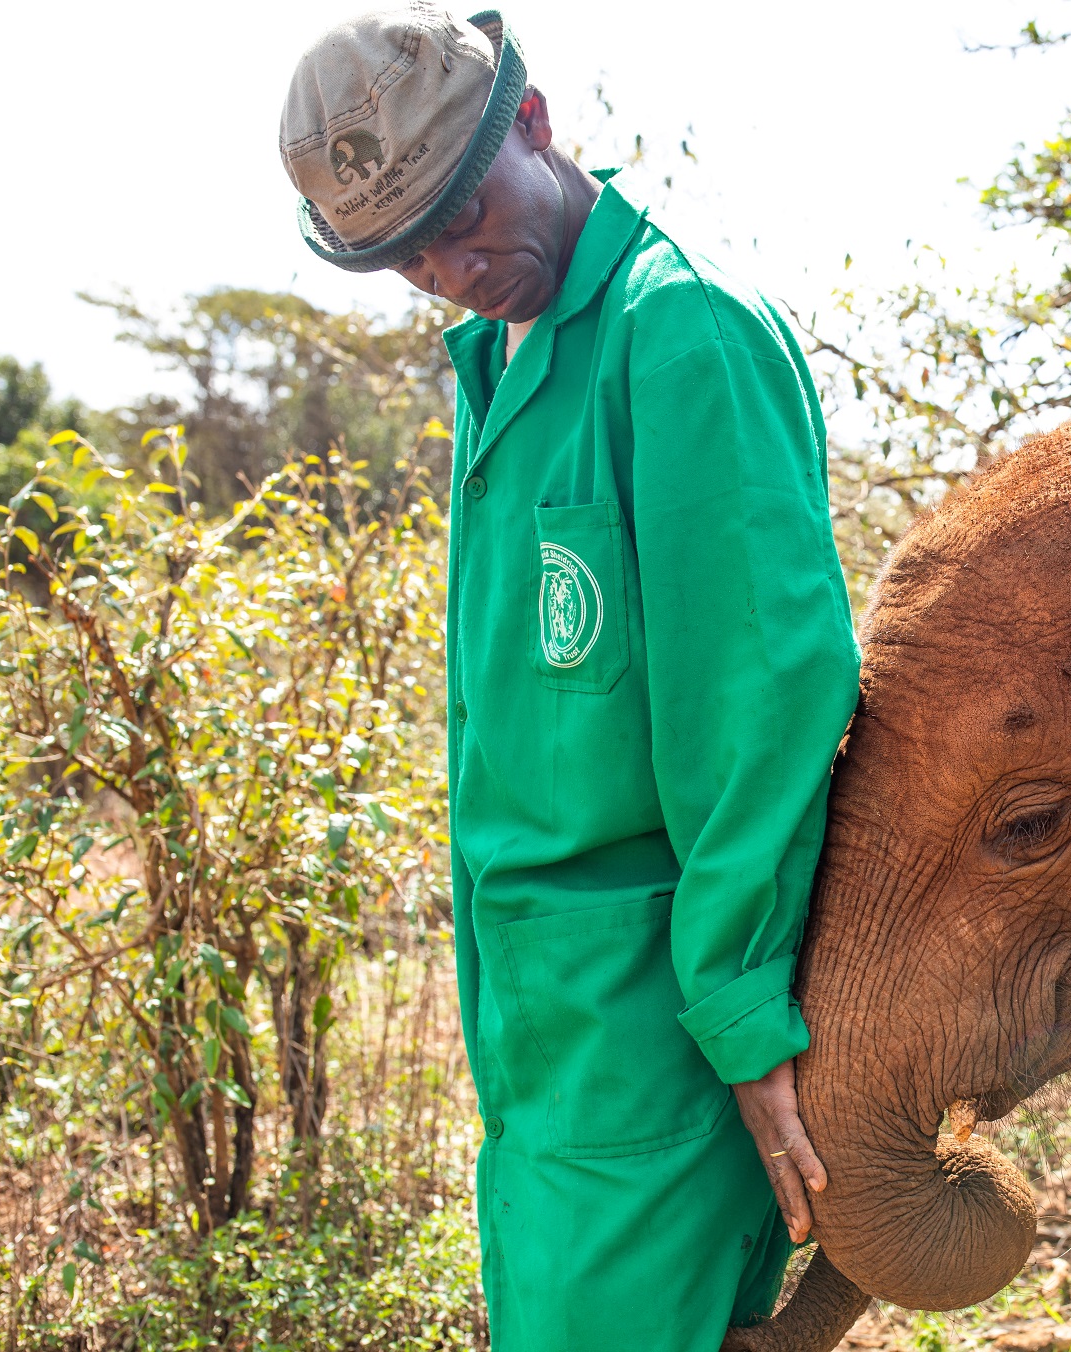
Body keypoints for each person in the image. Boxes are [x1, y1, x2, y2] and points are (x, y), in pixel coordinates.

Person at [278, 8, 860, 1348]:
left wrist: (740, 1008)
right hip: (535, 1016)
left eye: (462, 215)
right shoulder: (498, 359)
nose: (447, 267)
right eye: (404, 252)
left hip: (653, 1020)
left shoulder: (679, 330)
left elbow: (759, 702)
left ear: (531, 125)